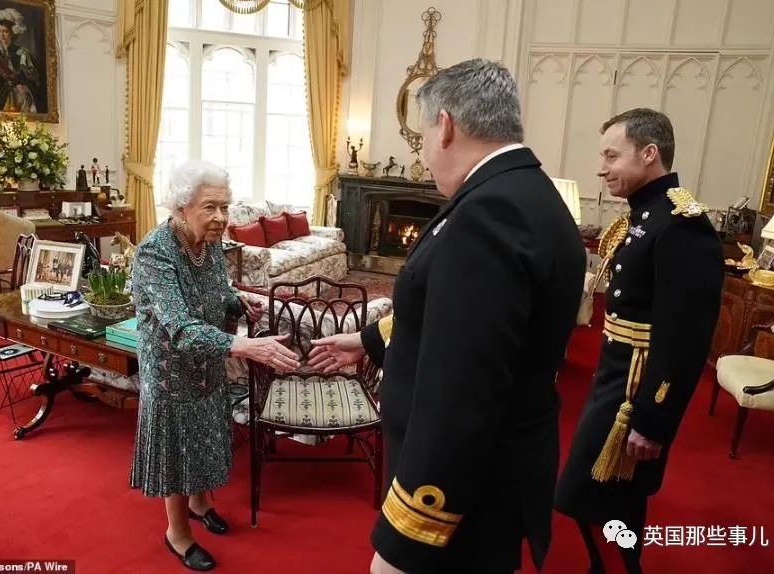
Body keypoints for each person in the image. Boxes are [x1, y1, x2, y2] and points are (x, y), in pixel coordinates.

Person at [308, 58, 587, 573]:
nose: (425, 154)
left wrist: (410, 529)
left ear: (446, 125)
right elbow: (456, 317)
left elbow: (463, 387)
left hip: (462, 492)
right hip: (498, 468)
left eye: (422, 135)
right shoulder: (527, 194)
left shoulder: (488, 214)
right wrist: (369, 341)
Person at [553, 108, 724, 573]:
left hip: (636, 391)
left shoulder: (681, 226)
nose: (601, 167)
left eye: (612, 155)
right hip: (616, 376)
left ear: (649, 154)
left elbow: (685, 338)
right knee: (606, 496)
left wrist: (654, 419)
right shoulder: (645, 214)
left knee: (598, 494)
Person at [129, 160, 299, 571]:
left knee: (205, 435)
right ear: (181, 207)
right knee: (178, 449)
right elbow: (181, 329)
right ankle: (178, 533)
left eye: (225, 206)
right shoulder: (156, 252)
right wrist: (244, 346)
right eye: (209, 207)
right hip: (170, 372)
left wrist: (238, 302)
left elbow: (218, 290)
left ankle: (200, 503)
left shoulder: (209, 245)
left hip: (207, 364)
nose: (220, 217)